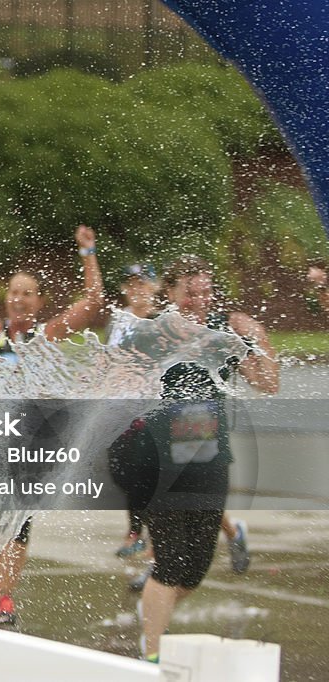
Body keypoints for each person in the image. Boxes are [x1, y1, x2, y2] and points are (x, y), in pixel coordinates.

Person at [0, 224, 104, 626]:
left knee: (17, 522)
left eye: (27, 293)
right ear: (7, 298)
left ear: (38, 302)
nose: (19, 299)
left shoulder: (46, 337)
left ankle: (2, 598)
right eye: (14, 292)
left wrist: (88, 253)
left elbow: (92, 303)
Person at [134, 254, 277, 663]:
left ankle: (151, 617)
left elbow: (268, 382)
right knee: (169, 562)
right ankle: (153, 656)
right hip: (161, 461)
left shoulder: (222, 332)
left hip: (211, 457)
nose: (199, 300)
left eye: (205, 292)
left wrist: (260, 336)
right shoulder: (155, 332)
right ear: (172, 292)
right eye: (190, 292)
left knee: (194, 570)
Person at [106, 262, 160, 559]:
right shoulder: (118, 322)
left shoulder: (160, 321)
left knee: (147, 475)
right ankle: (137, 528)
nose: (136, 289)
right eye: (131, 283)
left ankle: (141, 533)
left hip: (148, 411)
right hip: (119, 409)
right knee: (122, 473)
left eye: (142, 283)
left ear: (154, 286)